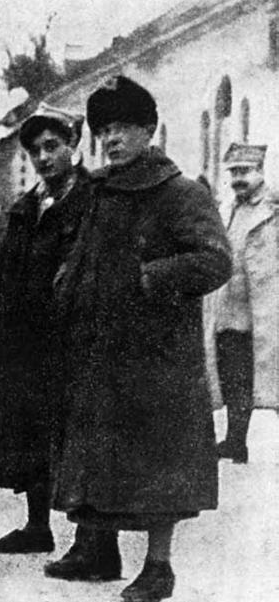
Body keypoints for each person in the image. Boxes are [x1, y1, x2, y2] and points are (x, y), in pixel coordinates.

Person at [51, 76, 231, 602]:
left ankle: (159, 567)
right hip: (98, 350)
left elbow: (214, 260)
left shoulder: (180, 192)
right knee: (98, 455)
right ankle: (97, 549)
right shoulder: (97, 191)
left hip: (157, 356)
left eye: (124, 128)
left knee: (159, 467)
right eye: (104, 129)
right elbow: (81, 255)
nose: (112, 139)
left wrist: (151, 277)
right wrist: (68, 288)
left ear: (149, 130)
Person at [0, 103, 92, 556]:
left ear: (73, 146)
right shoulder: (26, 208)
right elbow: (3, 276)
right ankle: (36, 525)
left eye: (53, 146)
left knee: (77, 435)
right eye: (35, 151)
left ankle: (90, 538)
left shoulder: (91, 202)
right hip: (25, 341)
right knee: (29, 432)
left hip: (72, 337)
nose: (44, 158)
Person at [212, 143, 279, 464]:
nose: (238, 178)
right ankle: (235, 441)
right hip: (230, 308)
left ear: (260, 171)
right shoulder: (227, 208)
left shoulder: (274, 209)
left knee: (269, 375)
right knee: (235, 379)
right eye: (234, 172)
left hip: (265, 309)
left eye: (245, 171)